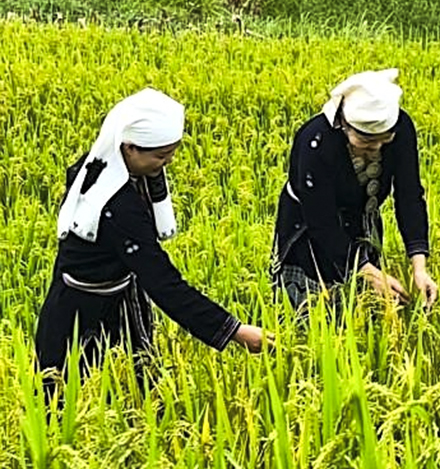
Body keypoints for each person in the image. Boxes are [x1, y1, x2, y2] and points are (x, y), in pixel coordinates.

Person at [35, 88, 267, 390]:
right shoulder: (118, 206)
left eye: (172, 151)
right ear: (129, 148)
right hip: (84, 318)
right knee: (74, 398)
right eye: (160, 155)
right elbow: (164, 284)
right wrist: (234, 331)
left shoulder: (101, 164)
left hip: (117, 299)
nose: (168, 162)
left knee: (132, 392)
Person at [270, 69, 437, 313]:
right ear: (344, 126)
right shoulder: (315, 141)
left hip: (361, 221)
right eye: (368, 142)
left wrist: (419, 267)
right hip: (308, 227)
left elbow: (409, 195)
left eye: (384, 140)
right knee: (314, 311)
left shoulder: (401, 129)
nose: (377, 148)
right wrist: (368, 272)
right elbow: (321, 221)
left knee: (363, 307)